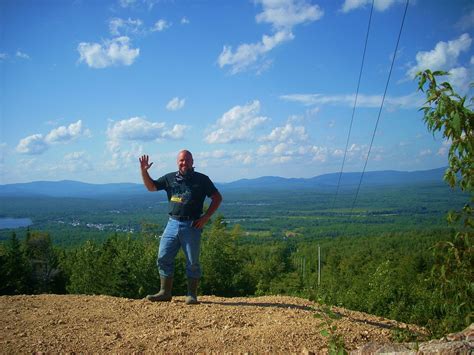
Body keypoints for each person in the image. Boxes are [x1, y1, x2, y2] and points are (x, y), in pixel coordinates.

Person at [139, 150, 222, 305]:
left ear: (192, 161)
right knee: (163, 257)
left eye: (187, 160)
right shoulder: (170, 178)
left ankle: (191, 295)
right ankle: (165, 292)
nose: (184, 163)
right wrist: (144, 172)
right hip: (172, 223)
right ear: (178, 162)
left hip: (192, 225)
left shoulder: (202, 179)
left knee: (192, 261)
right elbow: (151, 187)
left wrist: (205, 217)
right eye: (181, 160)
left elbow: (217, 198)